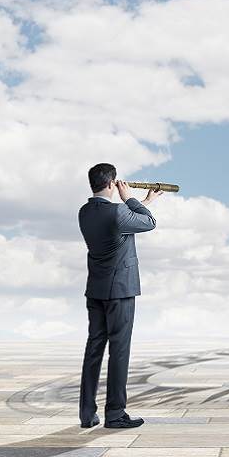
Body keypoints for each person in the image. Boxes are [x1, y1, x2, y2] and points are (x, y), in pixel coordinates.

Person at [76, 163, 162, 428]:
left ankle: (87, 414)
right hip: (121, 291)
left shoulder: (85, 212)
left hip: (96, 289)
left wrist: (142, 200)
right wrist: (132, 198)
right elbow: (149, 222)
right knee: (119, 351)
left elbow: (125, 221)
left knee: (94, 349)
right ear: (112, 184)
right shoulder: (118, 212)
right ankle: (115, 413)